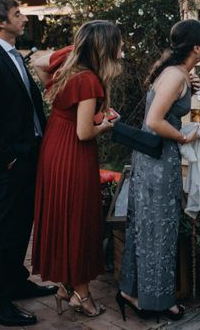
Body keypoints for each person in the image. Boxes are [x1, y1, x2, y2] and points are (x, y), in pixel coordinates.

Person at [117, 19, 200, 321]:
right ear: (197, 47)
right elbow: (154, 121)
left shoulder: (178, 73)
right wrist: (184, 137)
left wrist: (190, 88)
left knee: (147, 225)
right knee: (160, 227)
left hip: (156, 158)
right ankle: (155, 301)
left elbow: (168, 109)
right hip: (158, 160)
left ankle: (131, 291)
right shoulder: (174, 75)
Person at [32, 20, 123, 318]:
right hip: (73, 151)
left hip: (54, 143)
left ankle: (65, 287)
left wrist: (60, 96)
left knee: (62, 215)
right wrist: (106, 123)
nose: (122, 48)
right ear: (105, 47)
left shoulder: (69, 65)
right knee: (78, 220)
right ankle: (82, 295)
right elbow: (85, 132)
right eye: (118, 43)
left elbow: (39, 64)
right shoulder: (88, 80)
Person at [0, 0, 56, 327]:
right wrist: (6, 159)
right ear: (0, 23)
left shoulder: (11, 54)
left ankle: (16, 280)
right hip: (12, 160)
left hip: (29, 152)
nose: (23, 18)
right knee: (5, 229)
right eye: (17, 14)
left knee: (23, 221)